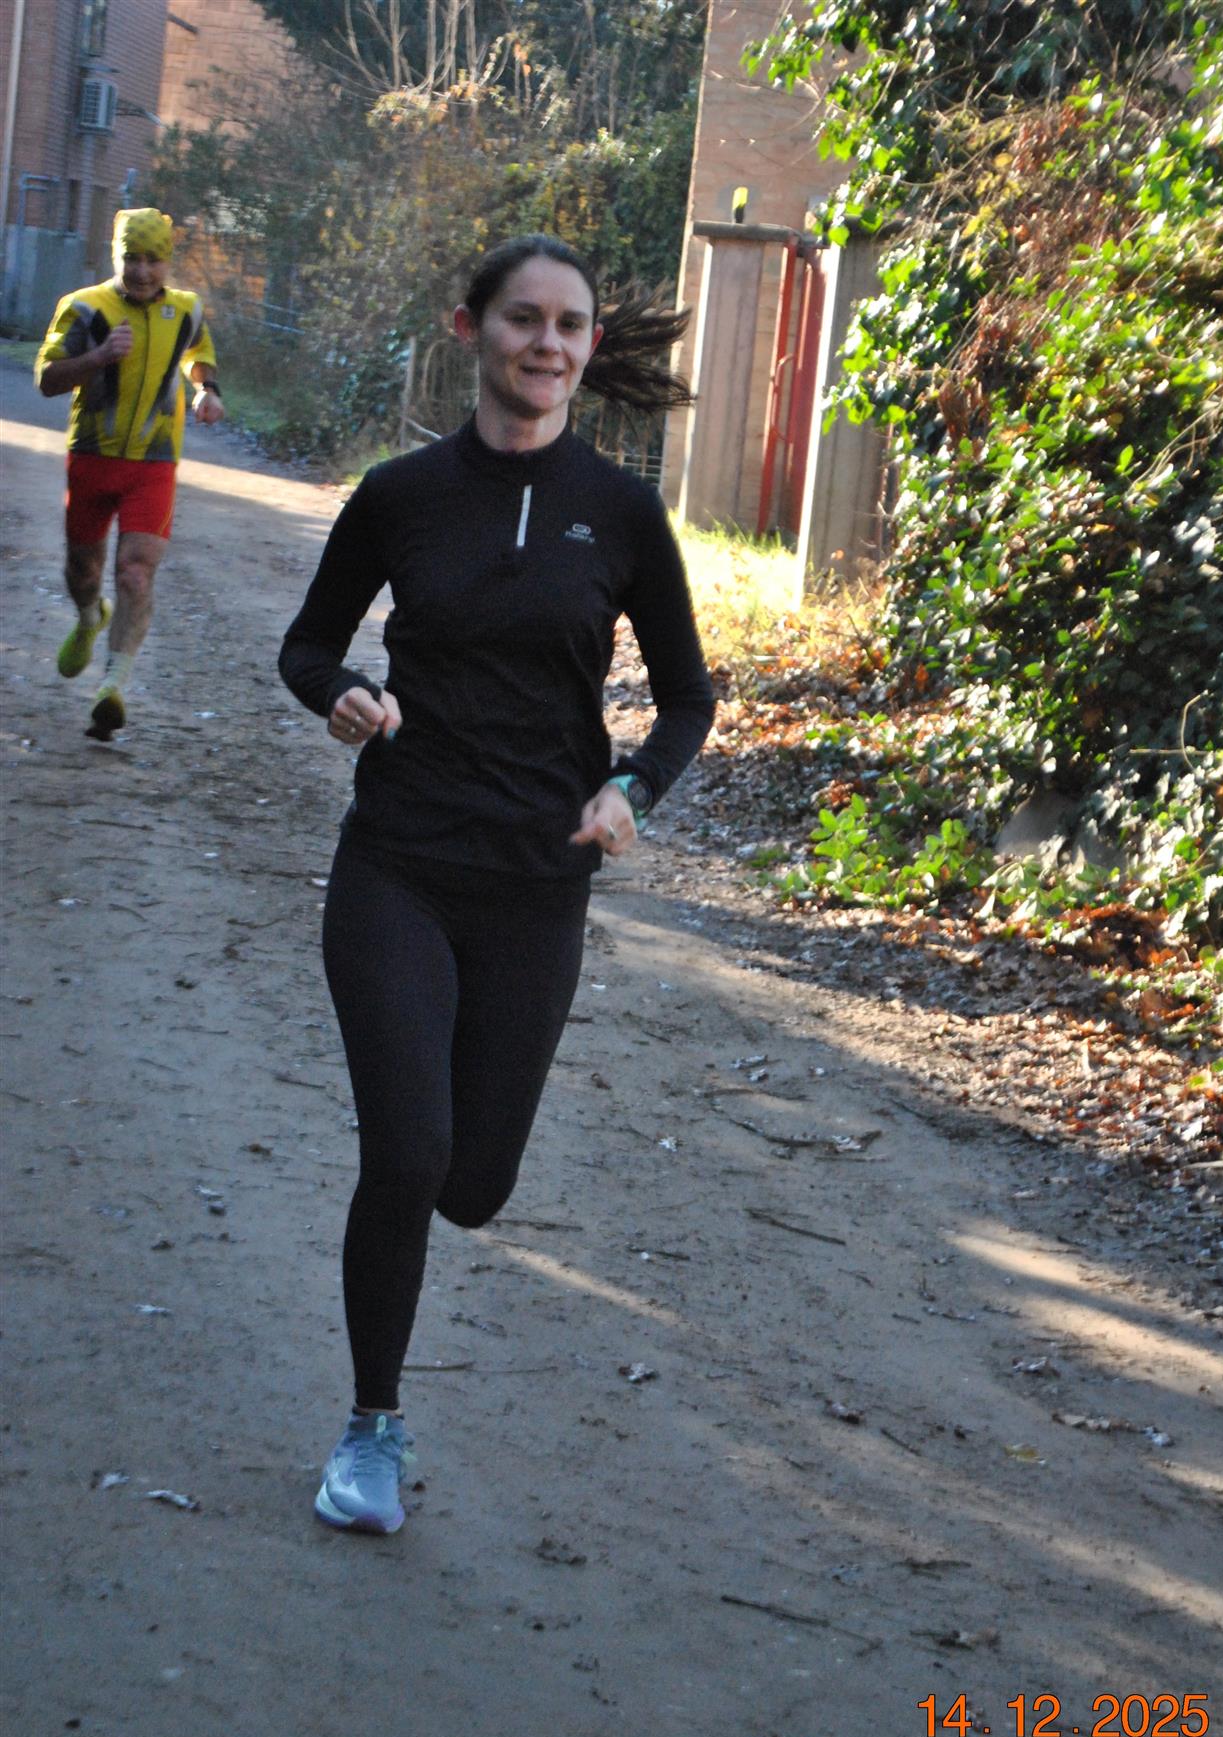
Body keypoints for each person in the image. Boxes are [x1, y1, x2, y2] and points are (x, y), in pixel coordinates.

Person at [279, 233, 714, 1535]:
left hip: (537, 883)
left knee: (471, 1186)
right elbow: (308, 645)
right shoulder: (400, 496)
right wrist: (342, 694)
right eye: (524, 319)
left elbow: (687, 698)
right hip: (398, 865)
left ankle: (412, 1264)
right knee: (407, 1150)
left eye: (570, 325)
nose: (547, 344)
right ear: (471, 329)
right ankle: (371, 1429)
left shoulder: (620, 514)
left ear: (590, 347)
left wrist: (631, 790)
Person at [35, 206, 225, 739]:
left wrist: (207, 390)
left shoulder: (186, 309)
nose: (142, 271)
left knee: (136, 573)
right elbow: (46, 378)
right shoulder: (83, 307)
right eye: (131, 259)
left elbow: (198, 354)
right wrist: (98, 357)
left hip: (154, 462)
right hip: (93, 455)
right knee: (84, 570)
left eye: (153, 260)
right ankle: (89, 617)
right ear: (115, 256)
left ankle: (112, 686)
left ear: (168, 261)